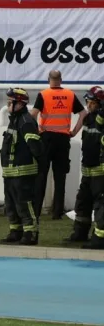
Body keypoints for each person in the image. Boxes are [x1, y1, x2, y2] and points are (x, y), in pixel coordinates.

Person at [32, 70, 84, 219]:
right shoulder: (70, 94)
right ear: (61, 79)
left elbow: (33, 115)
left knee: (41, 175)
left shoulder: (43, 94)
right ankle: (57, 213)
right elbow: (83, 114)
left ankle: (36, 212)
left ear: (49, 79)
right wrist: (74, 131)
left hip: (46, 138)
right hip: (63, 138)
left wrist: (37, 133)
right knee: (60, 177)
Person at [0, 87, 44, 245]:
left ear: (19, 104)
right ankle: (15, 231)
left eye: (10, 102)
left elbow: (36, 148)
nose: (8, 105)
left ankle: (30, 233)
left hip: (23, 173)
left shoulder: (26, 121)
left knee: (25, 204)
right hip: (11, 173)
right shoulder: (15, 120)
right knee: (11, 204)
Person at [67, 86, 104, 247]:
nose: (88, 105)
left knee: (100, 207)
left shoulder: (101, 120)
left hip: (100, 172)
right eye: (87, 102)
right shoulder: (88, 118)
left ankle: (99, 239)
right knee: (82, 204)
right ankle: (80, 233)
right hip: (87, 170)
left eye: (91, 102)